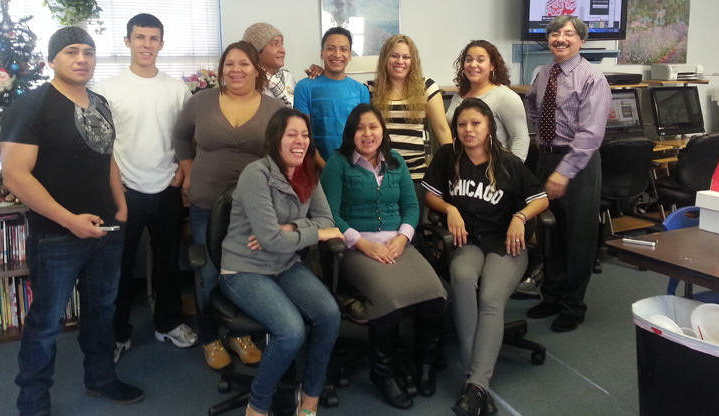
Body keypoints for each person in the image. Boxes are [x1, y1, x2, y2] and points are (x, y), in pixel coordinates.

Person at [1, 27, 143, 415]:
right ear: (52, 60)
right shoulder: (31, 105)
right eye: (71, 52)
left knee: (101, 311)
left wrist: (121, 204)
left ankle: (100, 379)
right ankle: (32, 402)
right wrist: (69, 220)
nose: (82, 59)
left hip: (107, 231)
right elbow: (15, 175)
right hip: (56, 237)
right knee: (46, 323)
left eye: (89, 52)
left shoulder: (99, 102)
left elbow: (106, 155)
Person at [422, 98, 548, 416]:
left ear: (489, 126)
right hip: (468, 243)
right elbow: (430, 195)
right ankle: (477, 386)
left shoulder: (506, 162)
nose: (468, 130)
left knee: (490, 297)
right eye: (462, 124)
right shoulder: (447, 157)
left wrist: (520, 217)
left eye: (475, 123)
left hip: (506, 245)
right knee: (463, 279)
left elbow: (541, 199)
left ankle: (474, 385)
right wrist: (450, 208)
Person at [321, 104, 447, 409]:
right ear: (351, 134)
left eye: (374, 127)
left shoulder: (396, 162)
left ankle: (425, 362)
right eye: (360, 128)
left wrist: (403, 238)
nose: (368, 134)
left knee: (436, 295)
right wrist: (362, 244)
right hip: (354, 249)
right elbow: (328, 215)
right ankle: (382, 372)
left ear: (382, 131)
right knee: (388, 297)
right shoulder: (338, 165)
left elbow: (412, 207)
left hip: (397, 244)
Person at [220, 107, 342, 416]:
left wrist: (291, 228)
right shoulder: (256, 174)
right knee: (291, 331)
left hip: (285, 265)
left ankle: (309, 397)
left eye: (304, 135)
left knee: (329, 315)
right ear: (276, 139)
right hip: (244, 269)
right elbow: (276, 239)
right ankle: (258, 405)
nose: (300, 141)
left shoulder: (308, 174)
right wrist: (313, 233)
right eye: (292, 134)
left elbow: (327, 221)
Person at [93, 13, 196, 363]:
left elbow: (186, 138)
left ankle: (167, 324)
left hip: (167, 187)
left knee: (169, 263)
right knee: (118, 266)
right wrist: (116, 187)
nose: (146, 45)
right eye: (140, 38)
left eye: (153, 39)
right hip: (124, 191)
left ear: (162, 44)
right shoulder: (106, 89)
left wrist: (180, 178)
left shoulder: (178, 89)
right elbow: (102, 144)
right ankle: (118, 333)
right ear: (127, 42)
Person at [174, 41, 284, 369]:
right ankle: (210, 336)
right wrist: (189, 171)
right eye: (229, 64)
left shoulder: (274, 108)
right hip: (206, 203)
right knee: (208, 275)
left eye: (244, 64)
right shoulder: (201, 101)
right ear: (222, 69)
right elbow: (180, 136)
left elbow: (281, 156)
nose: (236, 70)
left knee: (246, 274)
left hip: (252, 209)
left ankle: (239, 334)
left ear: (256, 69)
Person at [523, 15, 611, 332]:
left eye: (569, 34)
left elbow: (590, 136)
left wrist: (564, 172)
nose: (560, 38)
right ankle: (552, 295)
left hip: (579, 165)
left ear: (581, 41)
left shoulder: (592, 78)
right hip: (547, 158)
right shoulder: (544, 73)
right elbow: (532, 103)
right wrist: (540, 138)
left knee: (578, 237)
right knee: (551, 233)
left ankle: (573, 306)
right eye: (555, 33)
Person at [370, 34, 452, 190]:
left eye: (406, 57)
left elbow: (442, 130)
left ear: (413, 61)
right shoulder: (370, 89)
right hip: (380, 175)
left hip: (416, 175)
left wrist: (454, 166)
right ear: (384, 59)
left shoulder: (426, 87)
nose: (400, 61)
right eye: (394, 56)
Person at [294, 27, 370, 169]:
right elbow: (302, 134)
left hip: (352, 169)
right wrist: (325, 167)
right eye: (330, 48)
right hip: (313, 169)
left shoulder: (361, 91)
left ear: (350, 55)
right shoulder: (304, 87)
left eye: (343, 49)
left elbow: (363, 135)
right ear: (322, 54)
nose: (337, 54)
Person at [445, 40, 530, 161]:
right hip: (462, 169)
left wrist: (511, 174)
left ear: (492, 66)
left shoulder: (505, 97)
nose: (473, 65)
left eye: (480, 60)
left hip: (494, 170)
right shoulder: (459, 95)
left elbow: (520, 139)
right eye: (469, 60)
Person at [241, 22, 323, 107]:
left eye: (282, 44)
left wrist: (314, 81)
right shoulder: (247, 81)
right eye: (274, 44)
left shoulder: (287, 76)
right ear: (256, 51)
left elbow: (303, 108)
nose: (282, 50)